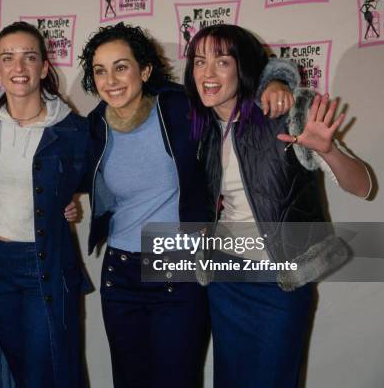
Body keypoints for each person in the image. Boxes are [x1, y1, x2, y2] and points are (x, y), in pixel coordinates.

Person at [78, 22, 298, 388]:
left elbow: (240, 80)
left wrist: (277, 82)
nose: (110, 80)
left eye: (121, 66)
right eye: (100, 70)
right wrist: (66, 205)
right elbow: (68, 177)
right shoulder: (93, 127)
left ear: (145, 70)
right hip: (119, 272)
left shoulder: (183, 107)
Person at [183, 24, 371, 388]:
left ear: (242, 67)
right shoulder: (202, 127)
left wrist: (327, 150)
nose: (207, 74)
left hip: (279, 282)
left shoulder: (288, 112)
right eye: (199, 62)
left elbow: (363, 186)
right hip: (225, 278)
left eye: (222, 62)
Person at [0, 21, 90, 388]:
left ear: (44, 67)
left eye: (29, 57)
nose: (19, 67)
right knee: (8, 367)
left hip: (43, 263)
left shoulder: (72, 130)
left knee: (43, 371)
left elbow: (95, 177)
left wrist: (63, 205)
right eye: (9, 58)